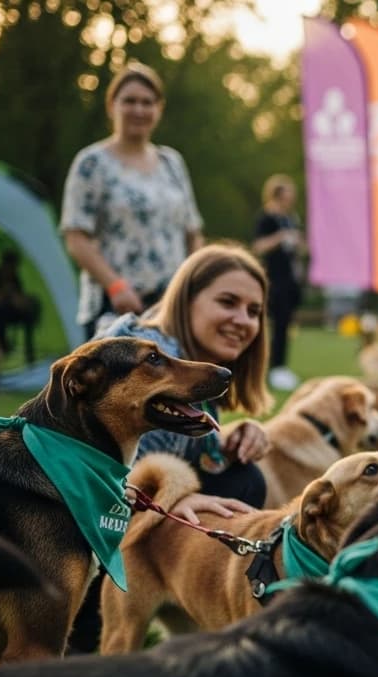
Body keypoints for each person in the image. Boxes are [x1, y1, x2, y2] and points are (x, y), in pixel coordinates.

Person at [69, 244, 272, 654]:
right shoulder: (141, 356)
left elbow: (175, 445)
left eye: (254, 311)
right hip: (73, 527)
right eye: (228, 302)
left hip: (123, 520)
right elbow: (92, 465)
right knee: (239, 487)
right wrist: (170, 501)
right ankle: (84, 624)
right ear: (185, 299)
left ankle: (192, 612)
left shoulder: (189, 364)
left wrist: (231, 437)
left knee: (243, 478)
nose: (243, 320)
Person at [61, 61, 204, 339]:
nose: (139, 110)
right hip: (116, 306)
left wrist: (191, 286)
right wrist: (116, 286)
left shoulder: (172, 163)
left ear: (159, 109)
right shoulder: (92, 163)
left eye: (147, 102)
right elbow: (76, 238)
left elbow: (193, 232)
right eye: (130, 101)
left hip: (170, 306)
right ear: (111, 105)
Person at [251, 173, 305, 391]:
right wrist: (280, 237)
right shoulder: (267, 219)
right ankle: (266, 367)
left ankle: (280, 366)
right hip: (273, 279)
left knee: (284, 324)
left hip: (290, 279)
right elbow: (258, 246)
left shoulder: (291, 218)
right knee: (267, 324)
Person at [0, 244, 41, 367]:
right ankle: (2, 349)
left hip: (9, 310)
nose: (12, 269)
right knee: (0, 313)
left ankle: (29, 353)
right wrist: (8, 293)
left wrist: (24, 302)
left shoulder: (15, 278)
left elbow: (18, 299)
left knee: (28, 315)